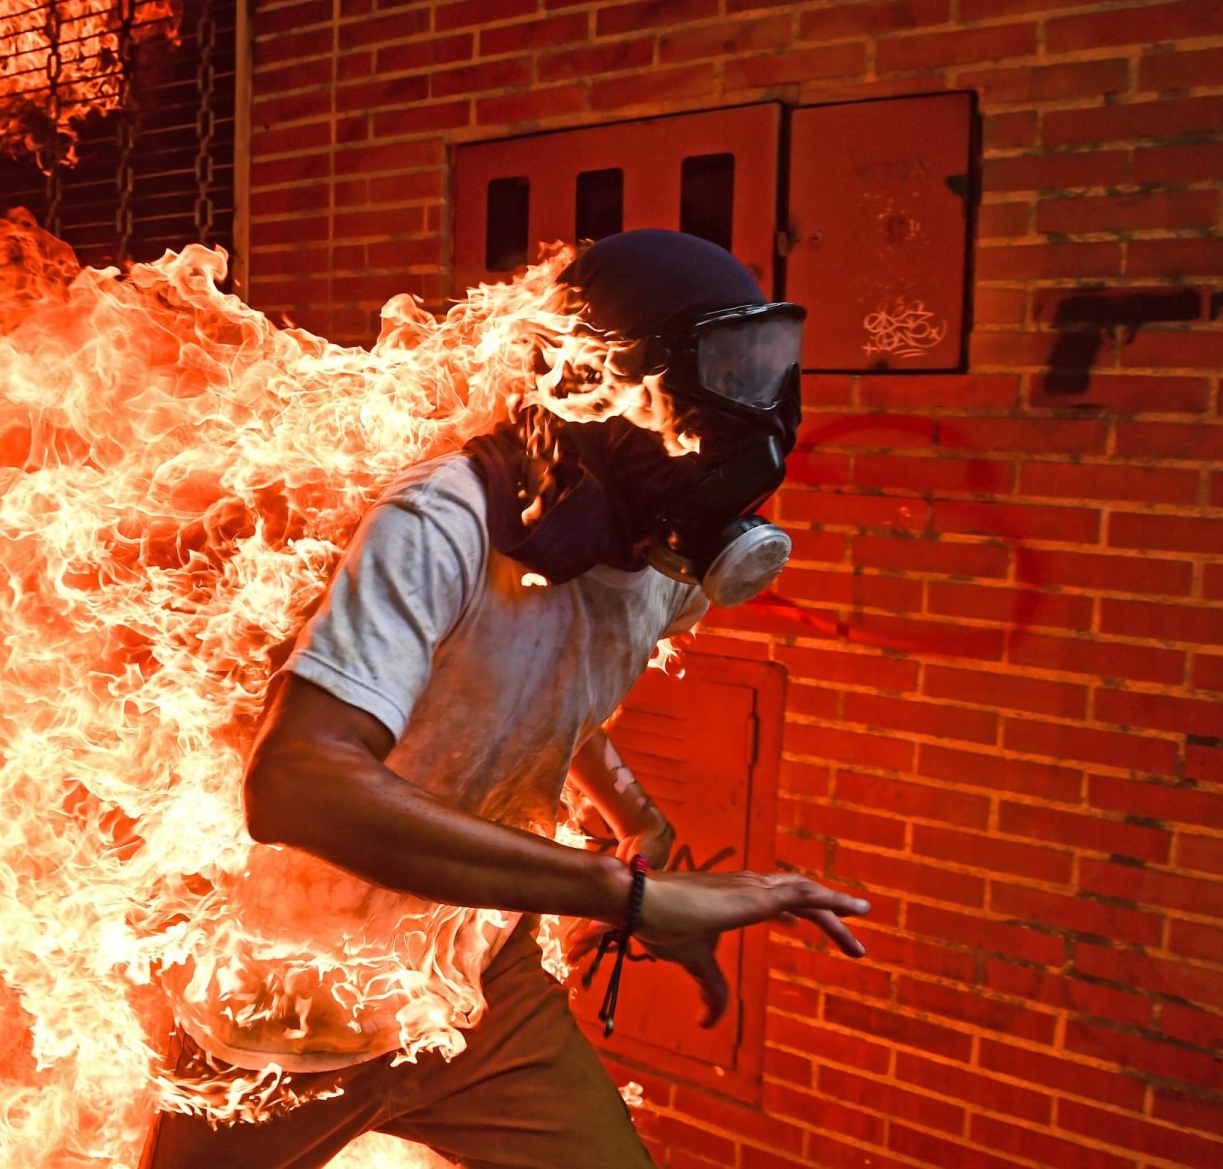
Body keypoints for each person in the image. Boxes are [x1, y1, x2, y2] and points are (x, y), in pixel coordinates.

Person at [143, 230, 871, 1168]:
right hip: (289, 1008)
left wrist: (639, 825)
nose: (753, 413)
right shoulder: (440, 523)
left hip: (480, 983)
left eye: (769, 367)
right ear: (598, 380)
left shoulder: (662, 559)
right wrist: (633, 896)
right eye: (726, 369)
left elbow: (542, 692)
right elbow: (298, 782)